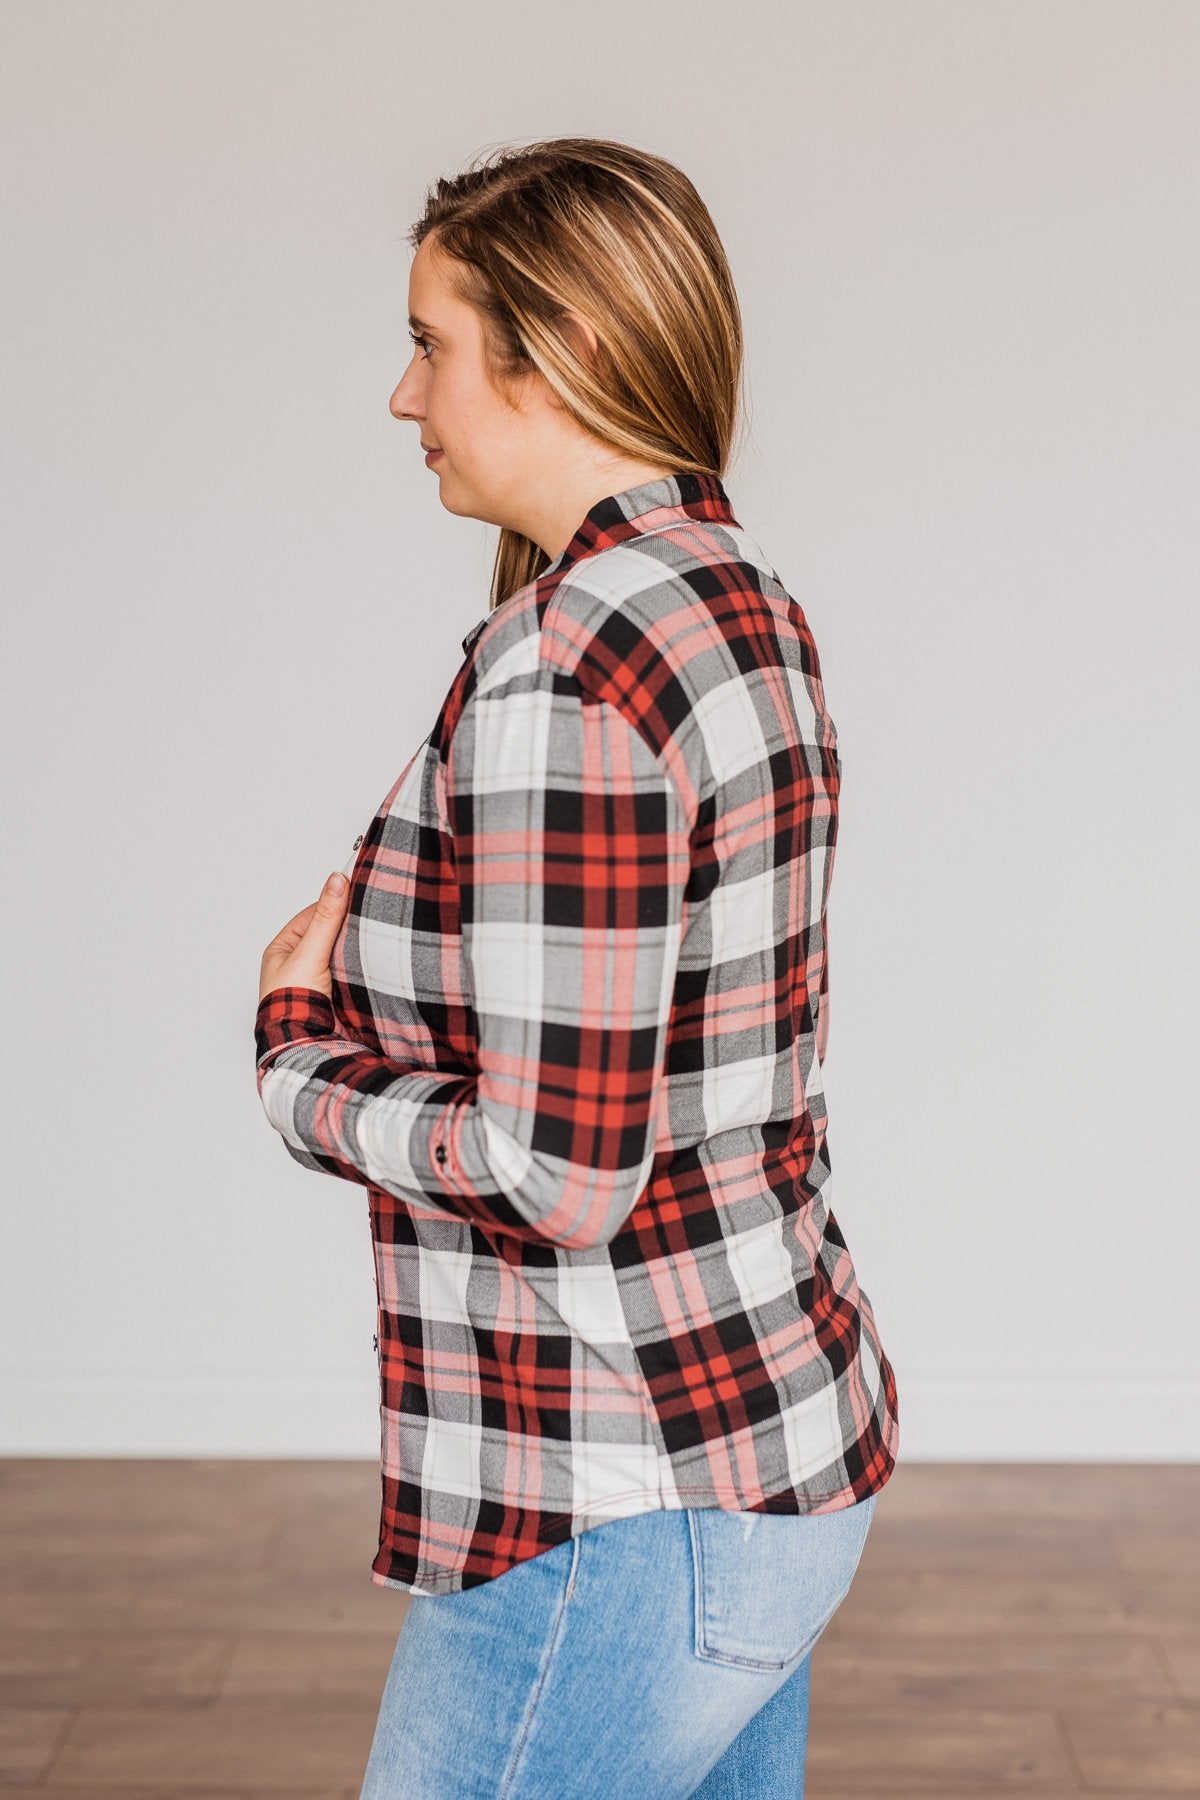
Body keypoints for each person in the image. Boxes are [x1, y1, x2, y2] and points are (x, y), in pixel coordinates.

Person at [254, 136, 900, 1799]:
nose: (405, 396)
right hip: (762, 1450)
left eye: (435, 344)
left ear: (570, 351)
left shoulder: (572, 666)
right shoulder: (737, 597)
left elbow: (559, 1172)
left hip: (617, 1500)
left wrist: (299, 1065)